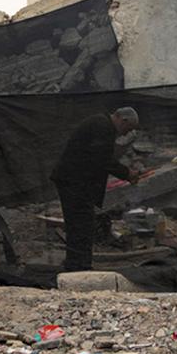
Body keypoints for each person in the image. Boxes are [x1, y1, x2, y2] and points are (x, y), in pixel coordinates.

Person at [50, 107, 140, 271]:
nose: (126, 133)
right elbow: (102, 158)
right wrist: (126, 173)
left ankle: (77, 263)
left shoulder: (100, 123)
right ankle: (78, 266)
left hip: (75, 181)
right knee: (80, 225)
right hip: (75, 182)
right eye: (128, 128)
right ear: (122, 120)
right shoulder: (102, 126)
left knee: (79, 224)